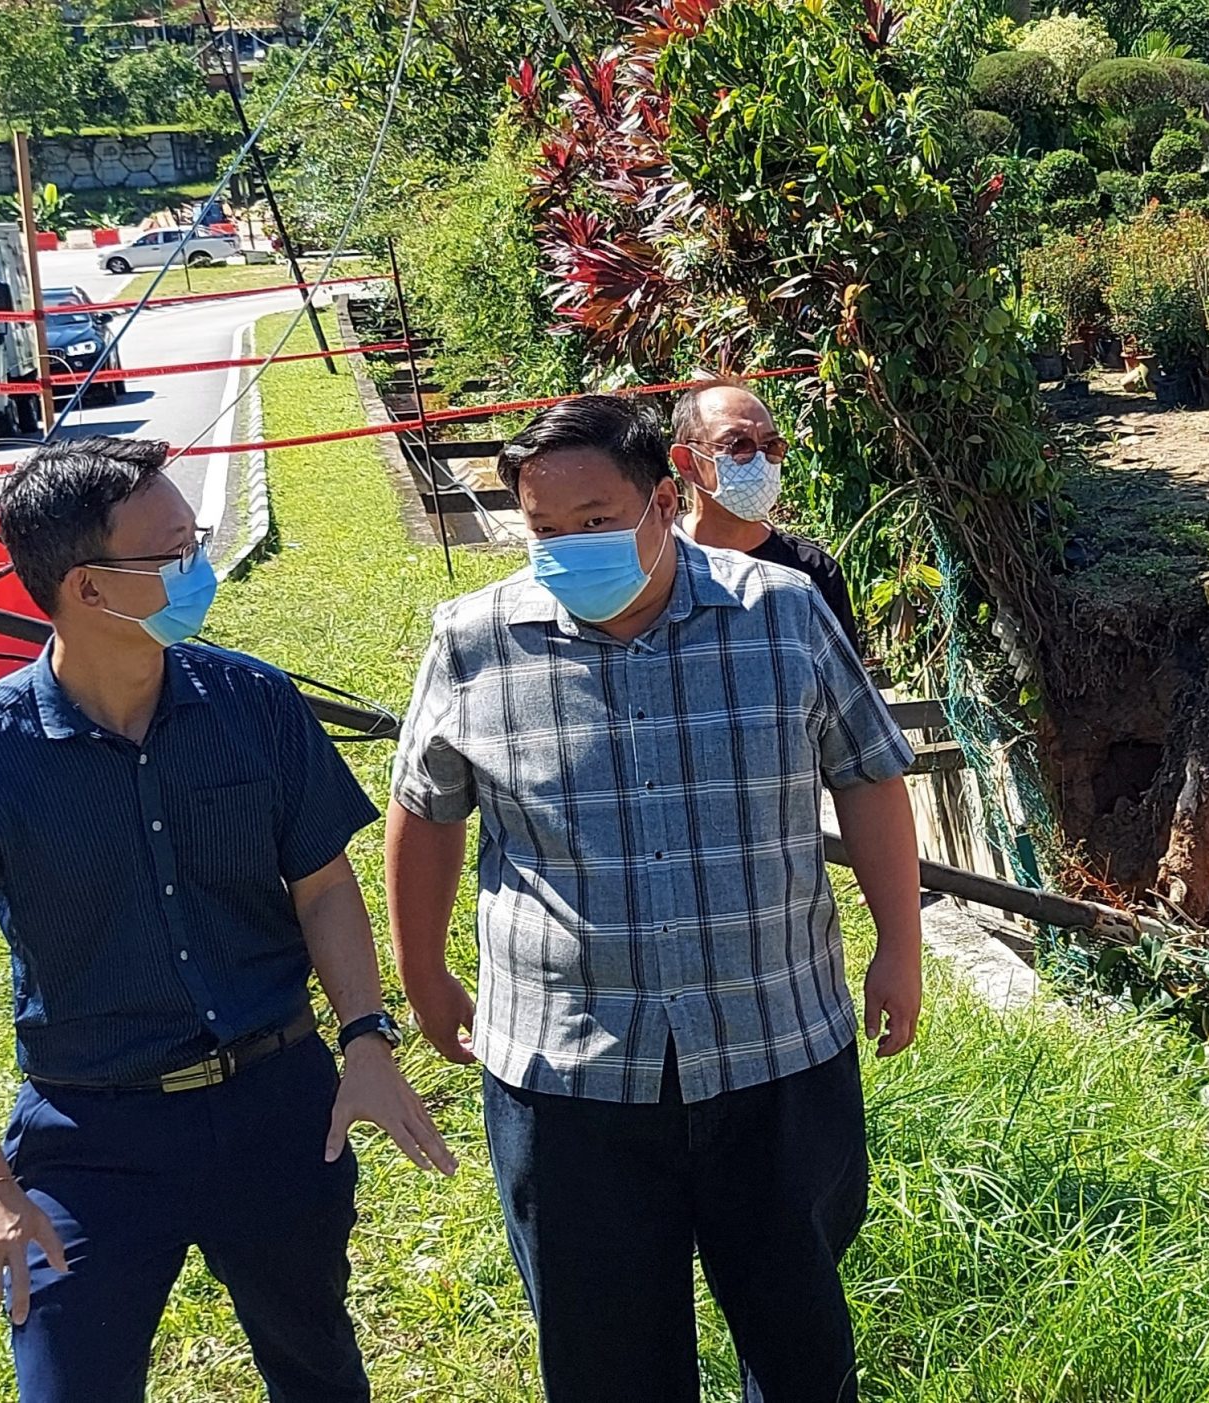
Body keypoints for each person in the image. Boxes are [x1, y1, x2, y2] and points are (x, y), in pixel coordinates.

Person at [0, 437, 455, 1403]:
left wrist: (366, 1035)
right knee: (70, 1381)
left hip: (275, 1106)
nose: (199, 568)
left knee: (316, 1362)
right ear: (89, 590)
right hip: (91, 1130)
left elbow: (321, 883)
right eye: (174, 552)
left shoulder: (256, 703)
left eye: (196, 540)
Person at [384, 395, 923, 1403]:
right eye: (544, 529)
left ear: (665, 500)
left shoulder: (782, 612)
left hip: (774, 1045)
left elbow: (868, 774)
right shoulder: (473, 640)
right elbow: (425, 808)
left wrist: (902, 942)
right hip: (568, 1070)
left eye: (596, 521)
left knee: (801, 1340)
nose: (568, 547)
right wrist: (422, 971)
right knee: (606, 1360)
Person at [669, 379, 863, 652]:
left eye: (771, 446)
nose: (759, 461)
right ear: (687, 462)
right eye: (738, 445)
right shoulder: (656, 564)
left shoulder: (812, 571)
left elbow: (843, 688)